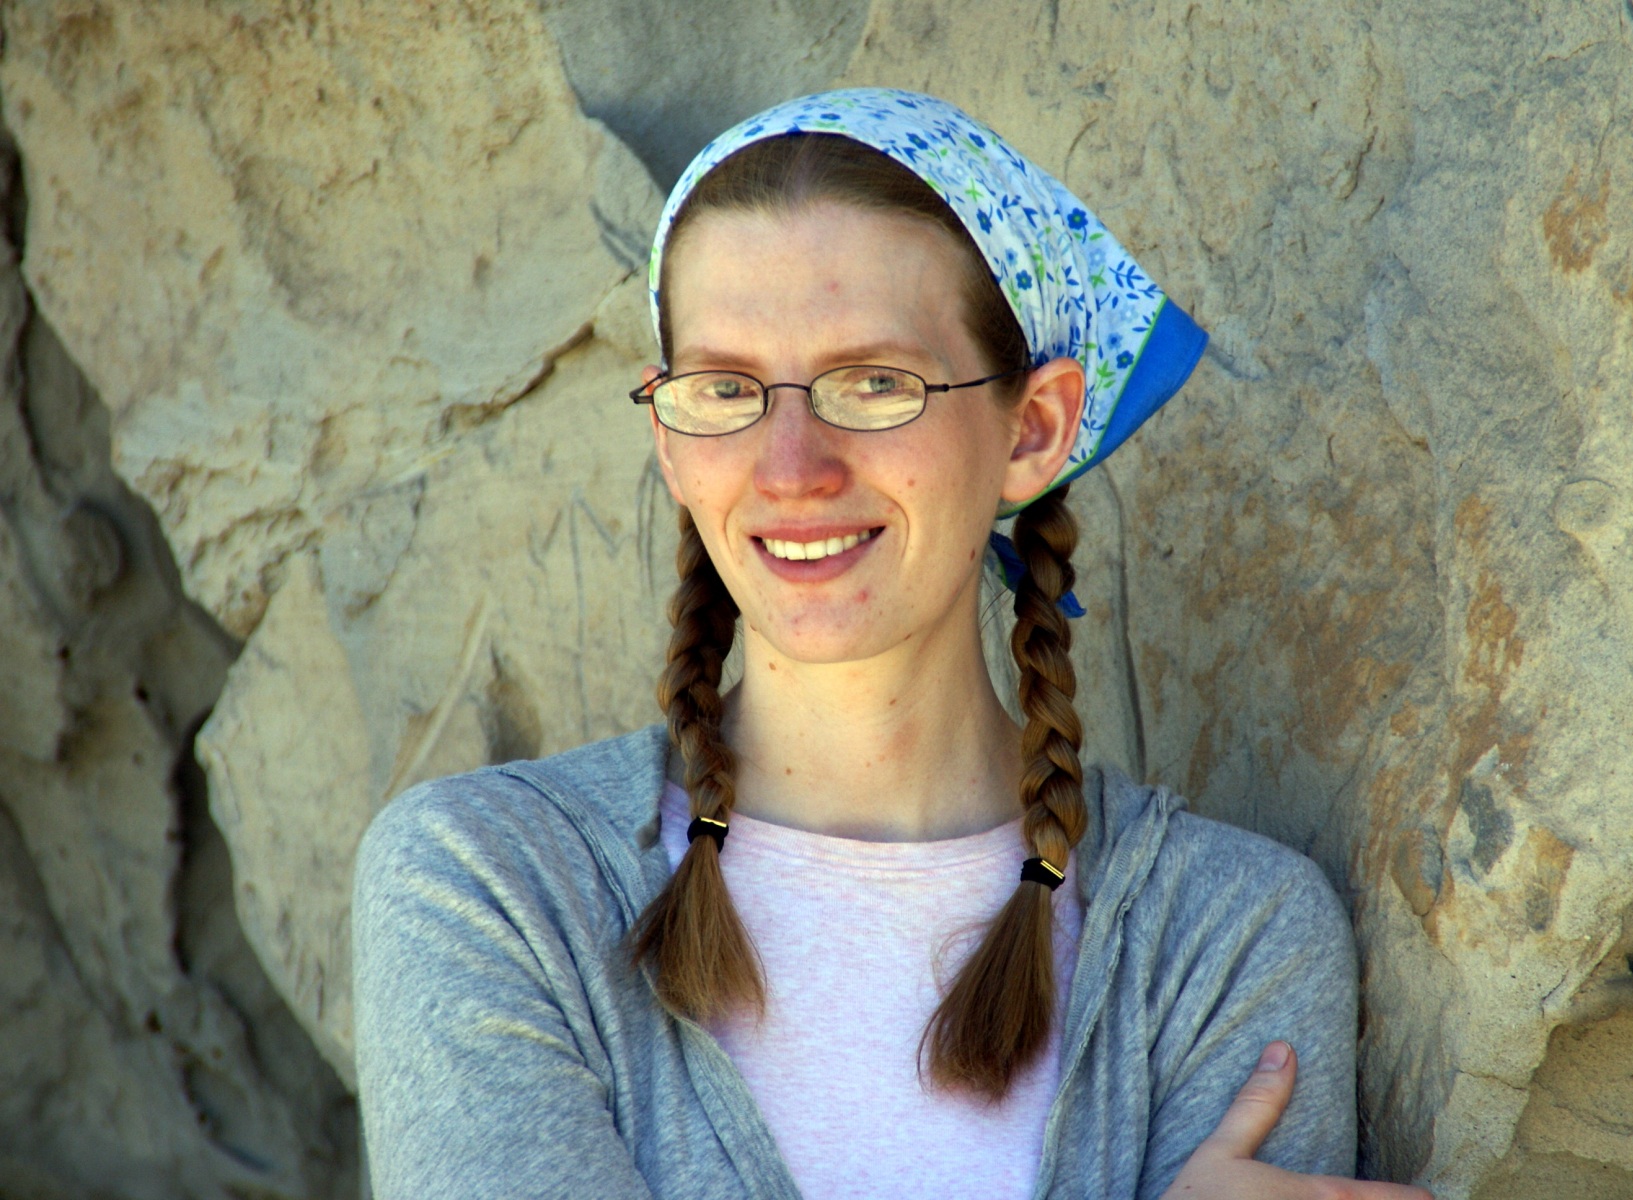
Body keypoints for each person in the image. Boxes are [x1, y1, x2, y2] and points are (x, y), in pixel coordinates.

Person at [352, 88, 1431, 1200]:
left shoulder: (1227, 935)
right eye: (723, 387)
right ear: (670, 438)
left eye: (873, 383)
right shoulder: (490, 885)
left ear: (1034, 430)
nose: (790, 468)